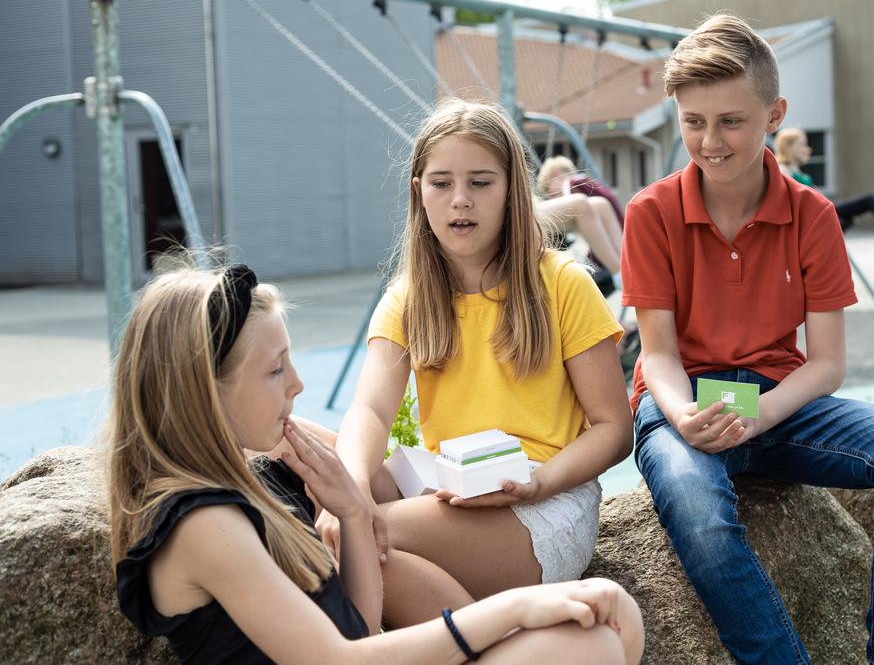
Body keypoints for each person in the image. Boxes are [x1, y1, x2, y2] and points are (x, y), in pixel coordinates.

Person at [620, 14, 874, 665]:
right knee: (693, 495)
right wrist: (686, 414)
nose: (709, 141)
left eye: (730, 121)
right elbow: (656, 352)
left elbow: (828, 363)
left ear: (775, 113)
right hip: (681, 400)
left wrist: (763, 412)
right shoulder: (650, 212)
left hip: (778, 400)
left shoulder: (813, 215)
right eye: (693, 121)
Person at [108, 262, 645, 664]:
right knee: (596, 636)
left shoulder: (258, 474)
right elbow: (338, 661)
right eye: (276, 371)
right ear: (203, 392)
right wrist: (514, 610)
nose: (298, 383)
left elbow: (360, 630)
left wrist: (355, 517)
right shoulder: (204, 525)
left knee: (609, 624)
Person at [315, 99, 637, 639]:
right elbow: (370, 410)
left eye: (481, 182)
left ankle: (463, 638)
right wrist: (348, 492)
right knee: (307, 452)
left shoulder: (562, 283)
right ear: (418, 189)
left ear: (513, 189)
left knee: (355, 537)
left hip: (540, 502)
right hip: (451, 488)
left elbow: (613, 428)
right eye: (441, 182)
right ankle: (482, 634)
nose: (460, 200)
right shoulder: (409, 296)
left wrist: (537, 483)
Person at [536, 156, 626, 281]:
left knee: (594, 204)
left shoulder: (570, 184)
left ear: (556, 175)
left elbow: (571, 198)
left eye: (547, 187)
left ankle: (622, 267)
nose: (550, 193)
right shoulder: (583, 181)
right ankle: (620, 269)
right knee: (587, 203)